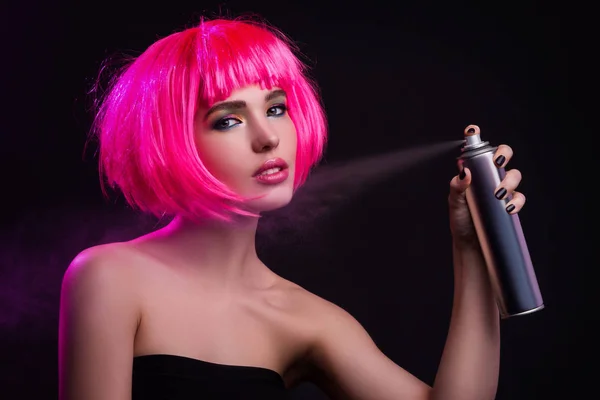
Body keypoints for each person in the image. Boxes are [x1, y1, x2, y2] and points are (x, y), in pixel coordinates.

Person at [58, 16, 527, 400]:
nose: (267, 137)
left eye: (276, 108)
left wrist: (474, 248)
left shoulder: (306, 318)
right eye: (228, 120)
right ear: (171, 141)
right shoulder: (110, 277)